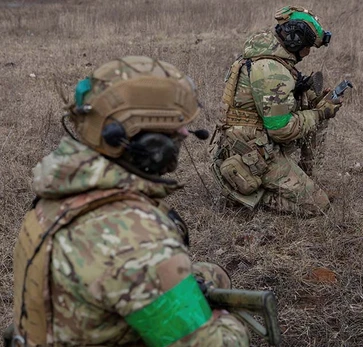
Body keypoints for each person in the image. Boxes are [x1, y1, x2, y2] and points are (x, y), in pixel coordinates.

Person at [9, 56, 249, 346]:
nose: (186, 134)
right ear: (151, 145)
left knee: (210, 274)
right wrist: (228, 325)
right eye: (176, 128)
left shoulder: (59, 194)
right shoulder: (135, 236)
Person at [210, 6, 343, 217]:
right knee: (318, 205)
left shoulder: (269, 58)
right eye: (308, 46)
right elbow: (281, 129)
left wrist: (314, 103)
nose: (308, 52)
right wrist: (319, 113)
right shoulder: (271, 71)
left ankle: (303, 180)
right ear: (296, 40)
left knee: (317, 117)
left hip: (255, 139)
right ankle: (248, 195)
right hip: (252, 151)